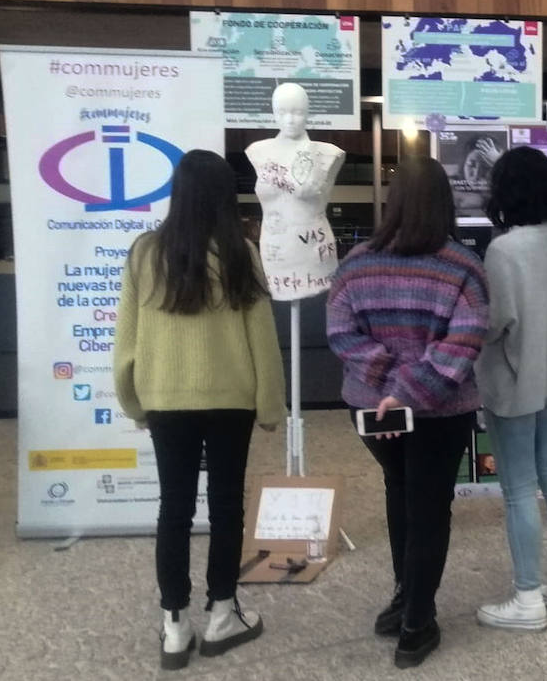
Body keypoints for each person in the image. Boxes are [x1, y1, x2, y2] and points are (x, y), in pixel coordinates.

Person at [112, 150, 285, 671]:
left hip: (166, 400)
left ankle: (173, 624)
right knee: (227, 504)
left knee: (175, 508)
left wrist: (133, 399)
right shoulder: (240, 253)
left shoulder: (145, 253)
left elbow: (128, 338)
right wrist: (270, 405)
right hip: (231, 399)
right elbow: (262, 339)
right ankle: (223, 612)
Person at [326, 156, 487, 669]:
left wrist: (389, 386)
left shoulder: (356, 264)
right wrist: (414, 388)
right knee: (429, 505)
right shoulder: (463, 266)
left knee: (399, 491)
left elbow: (340, 334)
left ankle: (402, 598)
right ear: (446, 204)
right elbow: (465, 342)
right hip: (441, 410)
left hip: (371, 409)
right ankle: (416, 623)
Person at [474, 147, 547, 632]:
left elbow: (497, 321)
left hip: (516, 379)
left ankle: (527, 597)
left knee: (519, 489)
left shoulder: (504, 249)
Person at [245, 83, 346, 300]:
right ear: (274, 113)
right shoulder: (258, 152)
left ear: (307, 113)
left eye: (297, 112)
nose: (290, 119)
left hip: (312, 249)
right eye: (282, 112)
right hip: (275, 248)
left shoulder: (328, 153)